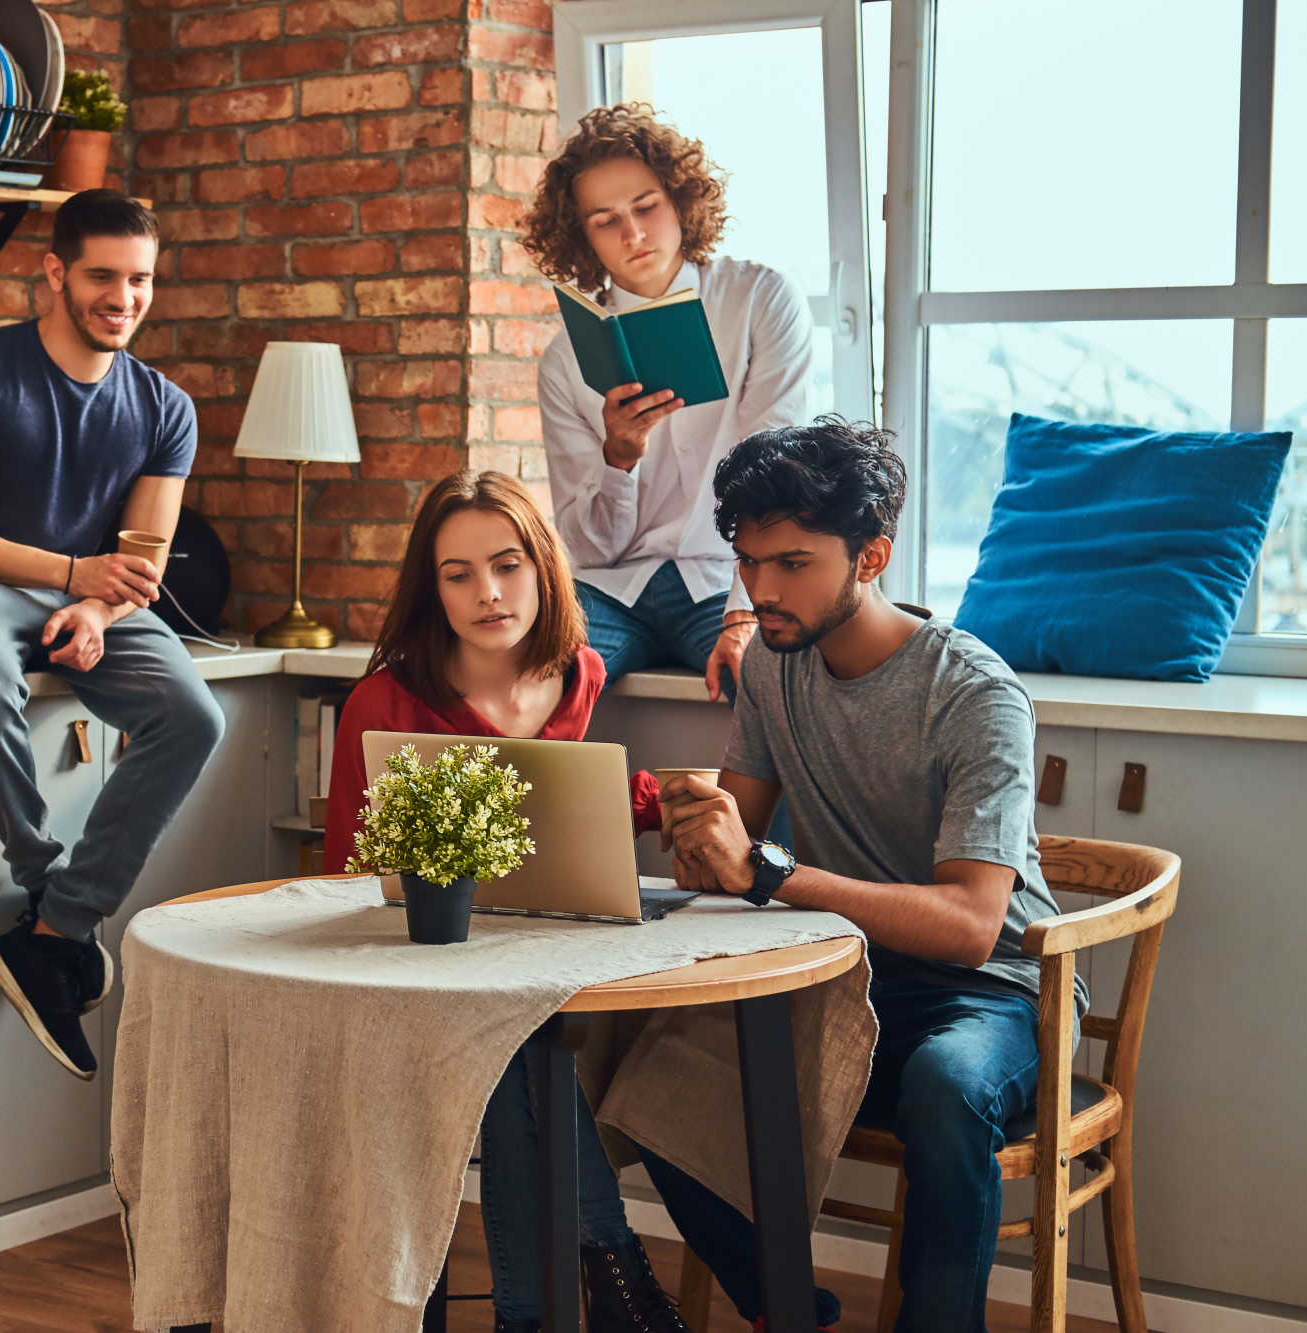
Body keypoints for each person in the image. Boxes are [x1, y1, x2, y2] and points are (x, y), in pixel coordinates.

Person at [652, 417, 1079, 1333]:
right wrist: (689, 826)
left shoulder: (974, 693)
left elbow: (970, 924)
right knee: (656, 1073)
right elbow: (740, 853)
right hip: (843, 973)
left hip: (992, 993)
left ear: (872, 555)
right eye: (749, 559)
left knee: (946, 1089)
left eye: (793, 562)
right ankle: (786, 1311)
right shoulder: (772, 662)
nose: (761, 589)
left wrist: (765, 870)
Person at [320, 471, 684, 1333]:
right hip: (412, 976)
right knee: (526, 1041)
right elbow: (348, 874)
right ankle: (611, 1271)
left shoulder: (580, 672)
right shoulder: (383, 701)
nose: (487, 592)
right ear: (431, 585)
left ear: (542, 568)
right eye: (458, 573)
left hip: (533, 955)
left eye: (508, 564)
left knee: (527, 1033)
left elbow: (545, 806)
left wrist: (657, 799)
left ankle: (550, 1307)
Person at [0, 190, 226, 1082]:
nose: (125, 297)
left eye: (141, 279)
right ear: (54, 273)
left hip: (89, 599)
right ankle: (45, 880)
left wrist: (98, 607)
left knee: (194, 715)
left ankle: (57, 930)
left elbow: (144, 555)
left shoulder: (165, 407)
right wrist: (68, 574)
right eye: (103, 276)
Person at [523, 104, 816, 704]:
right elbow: (588, 549)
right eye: (604, 220)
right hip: (608, 590)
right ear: (581, 236)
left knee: (776, 688)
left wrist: (745, 616)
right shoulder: (563, 361)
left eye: (645, 207)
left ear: (680, 199)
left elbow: (780, 480)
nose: (632, 234)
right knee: (524, 686)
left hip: (723, 580)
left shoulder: (760, 301)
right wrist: (619, 458)